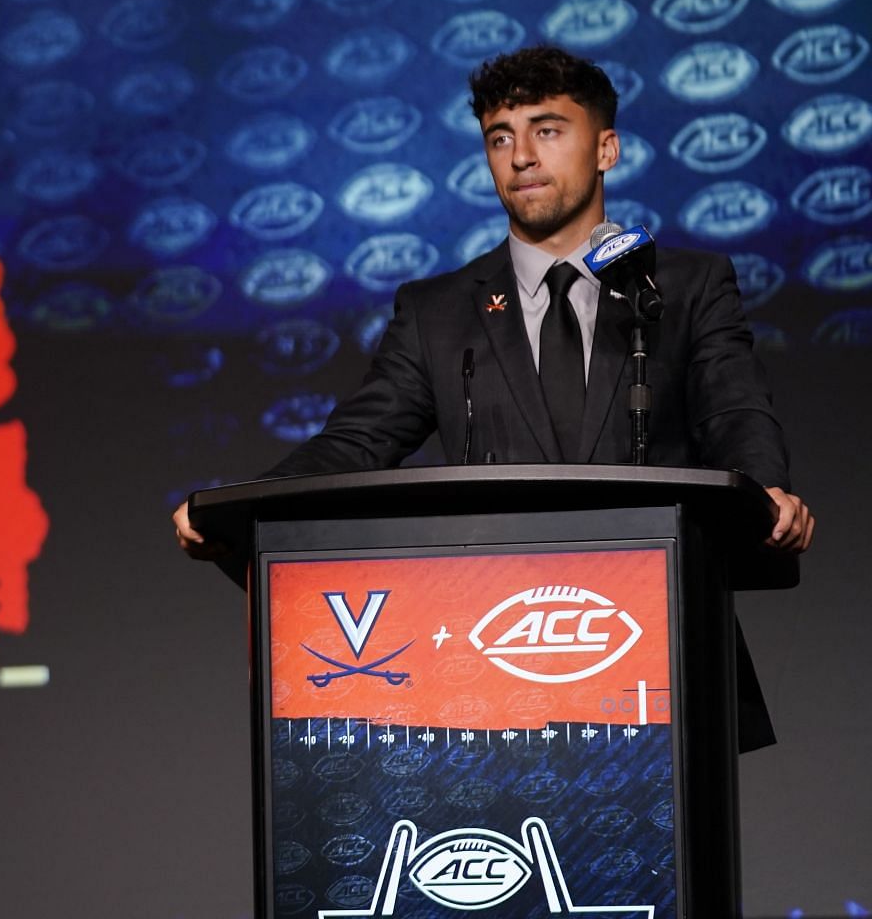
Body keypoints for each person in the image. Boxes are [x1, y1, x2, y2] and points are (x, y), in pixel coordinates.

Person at [173, 44, 813, 747]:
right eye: (500, 137)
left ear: (606, 148)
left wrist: (767, 489)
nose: (521, 157)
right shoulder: (439, 312)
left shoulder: (685, 286)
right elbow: (358, 440)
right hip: (491, 662)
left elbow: (733, 406)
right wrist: (242, 506)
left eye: (548, 129)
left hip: (662, 652)